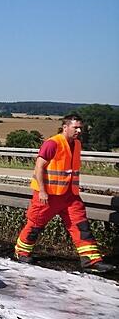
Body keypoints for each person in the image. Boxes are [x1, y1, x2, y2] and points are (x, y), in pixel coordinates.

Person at [14, 114, 114, 273]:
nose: (79, 130)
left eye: (81, 127)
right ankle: (22, 252)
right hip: (49, 195)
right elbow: (39, 167)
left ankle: (91, 260)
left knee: (81, 226)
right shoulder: (52, 143)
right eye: (76, 127)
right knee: (35, 224)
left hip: (70, 196)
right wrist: (42, 191)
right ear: (65, 127)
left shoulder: (77, 144)